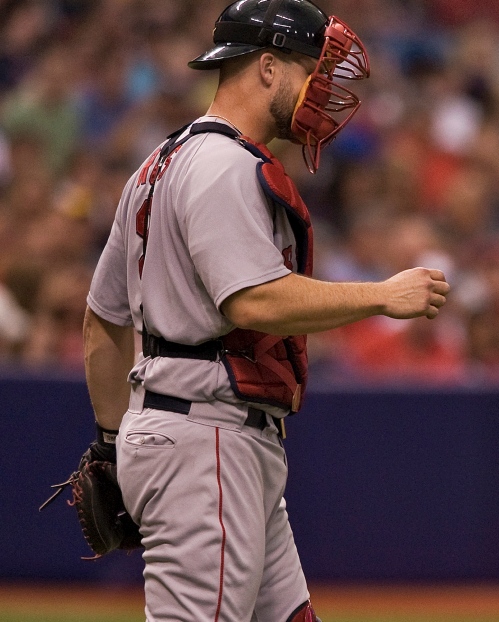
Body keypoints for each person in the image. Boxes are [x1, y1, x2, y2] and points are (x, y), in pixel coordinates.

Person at [82, 1, 449, 620]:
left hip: (199, 432)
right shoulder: (224, 163)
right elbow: (254, 298)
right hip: (206, 438)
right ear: (269, 68)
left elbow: (102, 322)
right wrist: (381, 295)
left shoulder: (157, 164)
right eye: (312, 70)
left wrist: (116, 442)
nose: (322, 91)